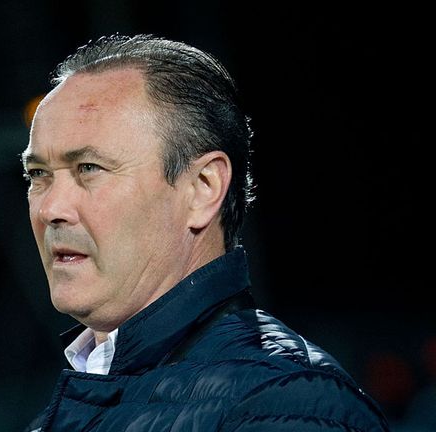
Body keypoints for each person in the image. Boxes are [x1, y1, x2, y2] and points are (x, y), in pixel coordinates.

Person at [20, 34, 390, 431]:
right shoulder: (64, 412)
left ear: (202, 188)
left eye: (89, 169)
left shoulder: (287, 406)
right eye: (38, 175)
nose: (50, 208)